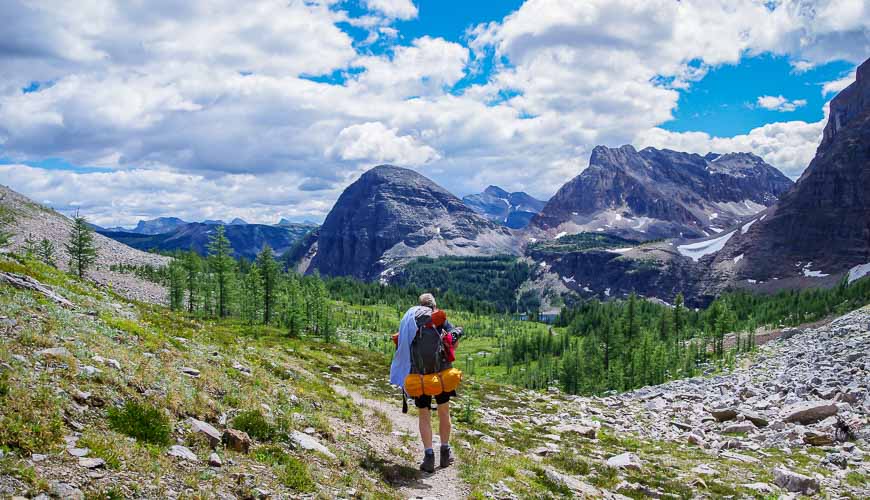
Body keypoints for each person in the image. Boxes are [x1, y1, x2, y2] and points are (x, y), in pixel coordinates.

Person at [389, 293, 463, 473]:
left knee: (424, 415)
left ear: (419, 306)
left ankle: (429, 456)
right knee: (444, 412)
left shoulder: (411, 322)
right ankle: (445, 452)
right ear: (434, 305)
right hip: (441, 374)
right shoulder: (441, 321)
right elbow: (454, 345)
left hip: (419, 378)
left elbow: (402, 348)